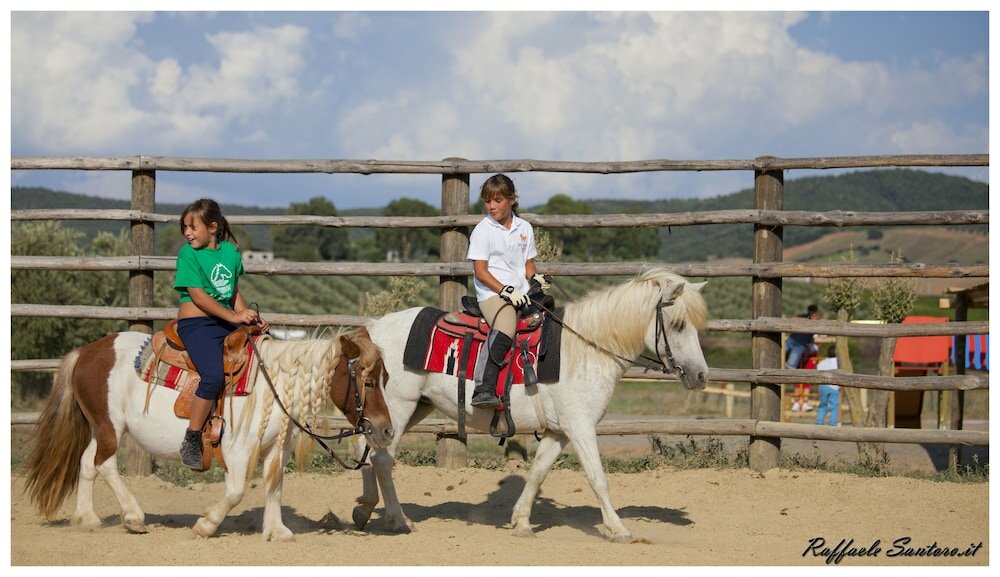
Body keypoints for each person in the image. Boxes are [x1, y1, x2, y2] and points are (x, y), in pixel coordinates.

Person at [174, 198, 268, 469]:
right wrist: (234, 317)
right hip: (197, 325)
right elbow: (199, 297)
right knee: (213, 375)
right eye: (185, 228)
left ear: (213, 227)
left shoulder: (230, 253)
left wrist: (250, 319)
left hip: (224, 320)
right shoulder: (188, 254)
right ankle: (192, 436)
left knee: (260, 355)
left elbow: (233, 292)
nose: (187, 233)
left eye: (193, 227)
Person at [467, 174, 548, 409]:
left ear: (512, 200)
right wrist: (505, 291)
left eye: (498, 201)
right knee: (506, 325)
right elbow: (480, 272)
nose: (492, 207)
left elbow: (528, 264)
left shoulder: (525, 227)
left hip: (521, 293)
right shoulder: (483, 231)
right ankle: (483, 388)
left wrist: (536, 278)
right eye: (488, 201)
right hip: (492, 295)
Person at [786, 304, 819, 369]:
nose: (812, 314)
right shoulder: (804, 317)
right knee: (777, 354)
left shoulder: (818, 323)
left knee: (790, 366)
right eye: (811, 312)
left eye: (814, 313)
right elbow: (793, 319)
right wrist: (805, 320)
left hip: (800, 345)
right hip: (791, 340)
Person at [815, 346, 840, 426]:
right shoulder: (838, 362)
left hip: (823, 385)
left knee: (823, 405)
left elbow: (817, 370)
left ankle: (819, 422)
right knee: (834, 406)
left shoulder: (823, 362)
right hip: (834, 386)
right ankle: (833, 424)